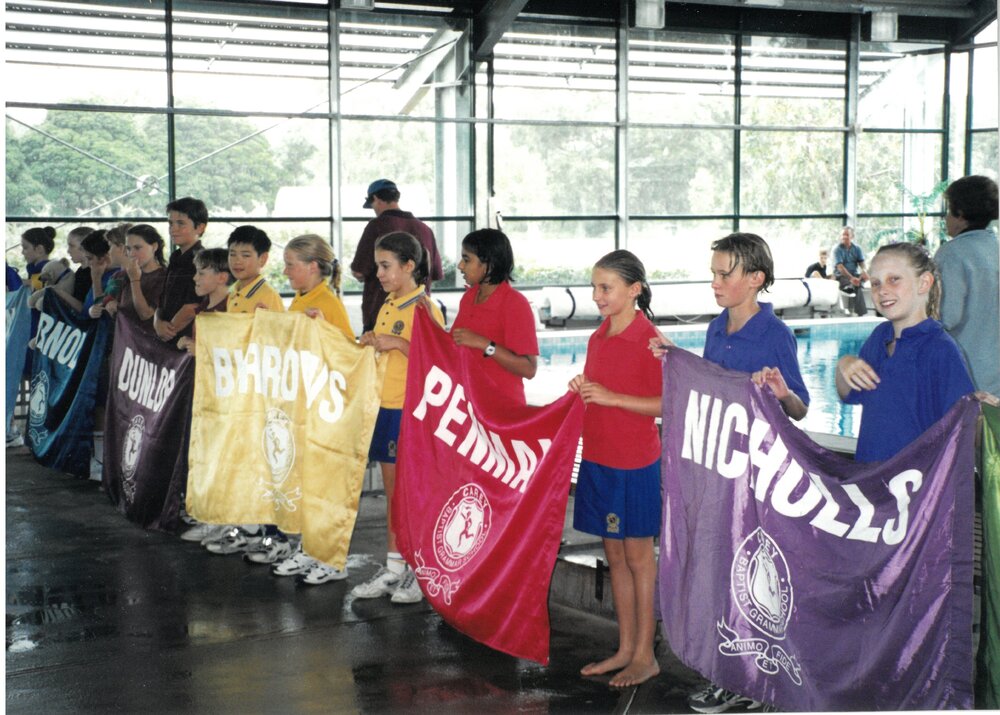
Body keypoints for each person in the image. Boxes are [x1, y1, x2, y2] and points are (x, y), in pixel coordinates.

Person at [653, 233, 810, 713]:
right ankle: (727, 671)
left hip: (756, 481)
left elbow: (800, 409)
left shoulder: (775, 334)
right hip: (717, 475)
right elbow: (710, 392)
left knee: (748, 576)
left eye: (725, 273)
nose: (715, 281)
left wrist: (781, 392)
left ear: (756, 279)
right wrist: (677, 361)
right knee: (717, 569)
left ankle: (753, 680)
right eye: (714, 272)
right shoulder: (717, 327)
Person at [568, 250, 662, 688]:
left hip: (635, 464)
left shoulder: (651, 341)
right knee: (615, 557)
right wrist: (583, 390)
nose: (596, 296)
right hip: (599, 459)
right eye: (595, 287)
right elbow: (599, 393)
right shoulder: (598, 337)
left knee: (640, 559)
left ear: (634, 290)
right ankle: (625, 647)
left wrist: (611, 398)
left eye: (605, 288)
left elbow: (670, 404)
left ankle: (646, 655)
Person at [350, 231, 445, 604]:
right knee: (394, 495)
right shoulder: (390, 304)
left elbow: (438, 361)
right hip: (385, 408)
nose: (379, 274)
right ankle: (394, 567)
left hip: (409, 413)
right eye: (377, 266)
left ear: (409, 266)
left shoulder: (424, 308)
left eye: (386, 266)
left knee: (410, 495)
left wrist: (399, 344)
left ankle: (419, 570)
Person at [262, 235, 355, 582]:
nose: (285, 271)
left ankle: (332, 559)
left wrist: (323, 331)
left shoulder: (326, 304)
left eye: (291, 265)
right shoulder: (302, 299)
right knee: (306, 484)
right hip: (301, 406)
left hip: (323, 408)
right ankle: (310, 549)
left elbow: (347, 355)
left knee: (324, 486)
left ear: (313, 267)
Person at [837, 243, 975, 463]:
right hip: (871, 479)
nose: (882, 290)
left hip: (916, 487)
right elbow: (848, 393)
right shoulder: (878, 338)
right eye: (875, 283)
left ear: (924, 283)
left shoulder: (940, 349)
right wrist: (844, 364)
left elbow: (962, 431)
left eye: (894, 279)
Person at [450, 228, 538, 406]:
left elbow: (529, 369)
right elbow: (454, 345)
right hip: (469, 402)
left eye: (467, 259)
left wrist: (484, 344)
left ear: (488, 264)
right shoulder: (469, 297)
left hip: (501, 408)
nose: (460, 265)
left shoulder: (514, 304)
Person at [934, 175, 999, 396]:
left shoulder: (952, 254)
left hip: (967, 376)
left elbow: (946, 318)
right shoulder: (995, 249)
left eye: (949, 210)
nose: (945, 217)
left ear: (960, 214)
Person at [350, 179, 444, 332]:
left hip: (381, 311)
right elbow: (436, 274)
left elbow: (359, 271)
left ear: (376, 199)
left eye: (385, 266)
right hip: (419, 311)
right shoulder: (425, 229)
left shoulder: (376, 226)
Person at [154, 197, 206, 343]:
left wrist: (166, 332)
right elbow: (162, 299)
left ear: (200, 227)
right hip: (166, 332)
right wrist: (157, 322)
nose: (173, 229)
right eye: (170, 223)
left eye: (181, 224)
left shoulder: (201, 260)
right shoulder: (175, 256)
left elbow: (193, 307)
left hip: (183, 340)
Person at [107, 225, 167, 329]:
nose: (132, 254)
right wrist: (110, 305)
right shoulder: (123, 275)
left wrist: (134, 280)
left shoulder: (164, 277)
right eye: (129, 249)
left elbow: (145, 315)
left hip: (147, 341)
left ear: (154, 247)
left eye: (137, 248)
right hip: (125, 339)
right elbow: (110, 303)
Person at [176, 248, 232, 355]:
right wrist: (189, 342)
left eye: (201, 273)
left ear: (222, 278)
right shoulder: (205, 305)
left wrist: (200, 352)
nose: (194, 277)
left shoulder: (231, 310)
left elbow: (232, 354)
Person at [225, 225, 285, 314]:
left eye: (245, 255)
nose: (237, 261)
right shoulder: (233, 292)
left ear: (262, 259)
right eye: (232, 254)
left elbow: (278, 327)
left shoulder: (269, 296)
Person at [833, 226, 869, 316]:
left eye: (847, 235)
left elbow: (862, 263)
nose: (844, 237)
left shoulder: (857, 248)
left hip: (854, 275)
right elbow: (840, 267)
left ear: (852, 236)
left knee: (863, 278)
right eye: (842, 235)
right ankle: (861, 314)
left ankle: (852, 286)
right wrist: (852, 278)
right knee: (856, 285)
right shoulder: (837, 249)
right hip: (841, 276)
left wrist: (864, 271)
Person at [20, 226, 55, 291]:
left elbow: (43, 285)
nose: (22, 252)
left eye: (25, 248)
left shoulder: (49, 268)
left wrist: (24, 282)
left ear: (39, 249)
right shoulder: (33, 268)